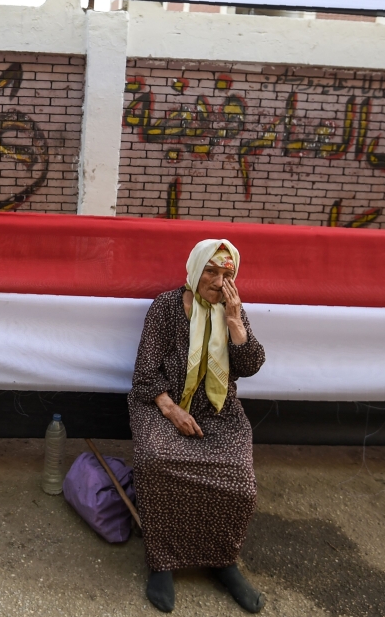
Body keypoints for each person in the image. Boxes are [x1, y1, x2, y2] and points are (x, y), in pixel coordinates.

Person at [128, 239, 266, 613]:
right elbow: (144, 371)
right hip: (161, 403)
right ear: (194, 269)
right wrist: (172, 410)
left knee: (240, 478)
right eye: (211, 271)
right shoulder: (166, 307)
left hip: (217, 408)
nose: (219, 282)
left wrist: (234, 320)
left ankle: (223, 561)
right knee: (157, 459)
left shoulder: (232, 309)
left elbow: (250, 364)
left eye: (227, 274)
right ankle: (162, 562)